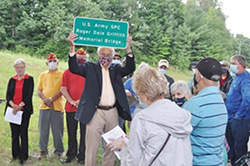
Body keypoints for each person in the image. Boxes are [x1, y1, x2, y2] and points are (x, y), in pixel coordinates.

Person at [67, 31, 135, 166]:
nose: (106, 57)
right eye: (103, 54)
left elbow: (130, 67)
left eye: (109, 55)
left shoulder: (116, 69)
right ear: (98, 55)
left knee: (111, 145)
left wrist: (128, 49)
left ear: (113, 56)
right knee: (91, 146)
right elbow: (74, 68)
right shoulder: (90, 67)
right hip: (95, 112)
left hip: (112, 112)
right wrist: (72, 48)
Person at [108, 65, 193, 166]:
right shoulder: (181, 114)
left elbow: (132, 161)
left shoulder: (142, 119)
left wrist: (124, 148)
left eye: (138, 93)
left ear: (143, 93)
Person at [183, 57, 228, 166]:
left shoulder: (195, 104)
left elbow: (180, 134)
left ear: (198, 75)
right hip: (217, 161)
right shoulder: (220, 100)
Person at [60, 48, 89, 164]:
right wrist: (72, 101)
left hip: (85, 106)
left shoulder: (89, 71)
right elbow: (63, 88)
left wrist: (82, 100)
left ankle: (82, 156)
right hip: (71, 106)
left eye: (83, 58)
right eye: (79, 58)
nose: (81, 60)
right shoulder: (67, 72)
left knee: (84, 132)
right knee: (71, 132)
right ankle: (71, 154)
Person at [5, 58, 34, 164]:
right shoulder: (12, 79)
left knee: (23, 133)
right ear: (14, 68)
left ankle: (24, 156)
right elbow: (8, 95)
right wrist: (13, 105)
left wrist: (19, 106)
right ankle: (15, 154)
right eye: (17, 67)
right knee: (14, 133)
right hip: (12, 111)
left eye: (21, 67)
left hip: (24, 110)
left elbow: (29, 95)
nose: (19, 69)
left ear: (25, 67)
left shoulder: (29, 79)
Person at [37, 53, 64, 159]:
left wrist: (51, 99)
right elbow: (39, 90)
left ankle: (59, 151)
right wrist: (45, 100)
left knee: (57, 131)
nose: (52, 63)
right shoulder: (43, 74)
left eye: (54, 61)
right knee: (43, 130)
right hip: (44, 107)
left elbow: (62, 90)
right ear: (46, 63)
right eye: (50, 61)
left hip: (57, 106)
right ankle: (43, 151)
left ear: (57, 62)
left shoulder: (62, 74)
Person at [225, 55, 250, 165]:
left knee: (239, 150)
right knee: (232, 150)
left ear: (241, 65)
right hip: (231, 118)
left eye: (233, 63)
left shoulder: (245, 79)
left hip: (240, 120)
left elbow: (247, 100)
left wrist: (238, 116)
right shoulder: (236, 78)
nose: (231, 66)